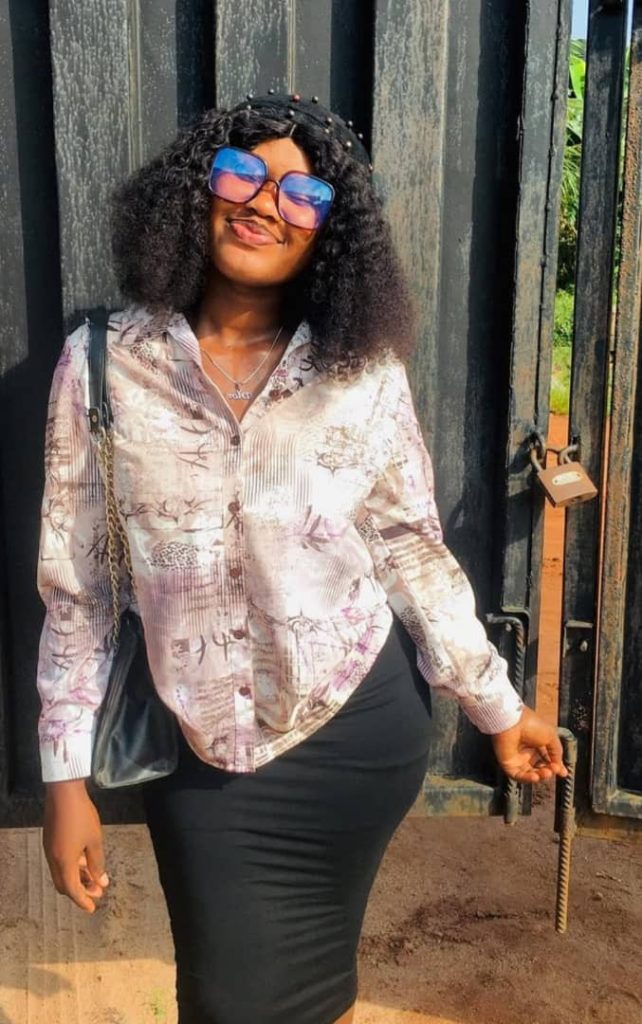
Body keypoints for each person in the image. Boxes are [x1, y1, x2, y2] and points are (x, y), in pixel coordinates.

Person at [37, 93, 567, 1024]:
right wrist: (63, 779)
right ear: (198, 190)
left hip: (354, 730)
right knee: (229, 999)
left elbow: (408, 548)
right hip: (205, 755)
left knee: (313, 993)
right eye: (242, 173)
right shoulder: (102, 366)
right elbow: (77, 588)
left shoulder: (362, 374)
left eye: (303, 194)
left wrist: (498, 705)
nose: (264, 204)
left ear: (330, 232)